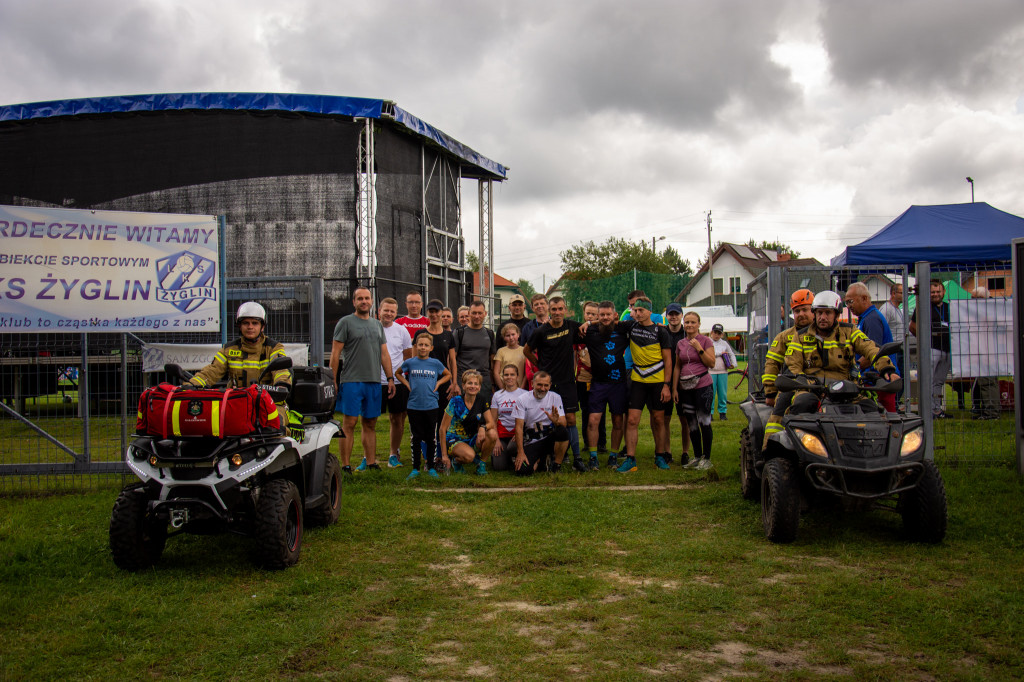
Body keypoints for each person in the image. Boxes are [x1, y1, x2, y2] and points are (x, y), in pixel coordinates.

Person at [785, 291, 897, 416]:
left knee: (872, 410)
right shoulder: (800, 336)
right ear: (814, 314)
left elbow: (871, 349)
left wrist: (886, 369)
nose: (822, 317)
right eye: (819, 312)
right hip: (812, 390)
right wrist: (802, 380)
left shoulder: (850, 331)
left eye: (827, 313)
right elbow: (793, 362)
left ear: (837, 315)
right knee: (801, 404)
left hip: (847, 391)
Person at [330, 287, 395, 474]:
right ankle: (345, 465)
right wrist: (332, 380)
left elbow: (384, 354)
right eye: (360, 298)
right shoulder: (345, 323)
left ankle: (372, 462)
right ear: (354, 302)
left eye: (367, 298)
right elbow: (335, 354)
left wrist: (390, 378)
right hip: (352, 381)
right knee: (349, 423)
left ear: (371, 301)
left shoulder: (377, 325)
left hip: (373, 381)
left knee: (370, 423)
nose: (364, 301)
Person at [523, 296, 587, 472]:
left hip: (567, 381)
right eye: (554, 309)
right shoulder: (540, 331)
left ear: (565, 309)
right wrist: (539, 366)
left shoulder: (572, 326)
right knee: (550, 419)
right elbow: (526, 350)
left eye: (560, 309)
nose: (557, 312)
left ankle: (577, 458)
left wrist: (588, 322)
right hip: (548, 383)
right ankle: (555, 455)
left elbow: (590, 327)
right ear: (549, 311)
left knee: (571, 419)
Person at [619, 296, 672, 473]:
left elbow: (668, 360)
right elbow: (608, 322)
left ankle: (660, 456)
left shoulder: (661, 331)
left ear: (650, 311)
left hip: (657, 382)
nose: (638, 313)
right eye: (635, 310)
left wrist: (666, 385)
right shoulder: (630, 326)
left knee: (658, 420)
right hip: (637, 380)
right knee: (632, 420)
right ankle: (630, 459)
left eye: (641, 310)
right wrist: (588, 323)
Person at [189, 301, 291, 390]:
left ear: (262, 327)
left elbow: (281, 371)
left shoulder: (274, 348)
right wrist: (192, 385)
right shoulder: (228, 350)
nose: (250, 327)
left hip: (267, 401)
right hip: (237, 401)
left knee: (278, 412)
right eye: (246, 323)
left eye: (254, 323)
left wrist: (282, 385)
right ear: (239, 326)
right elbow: (212, 372)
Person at [761, 289, 816, 447]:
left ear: (814, 311)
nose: (801, 314)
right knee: (776, 419)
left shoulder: (824, 334)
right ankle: (768, 452)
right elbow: (772, 364)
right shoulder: (784, 337)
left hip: (818, 384)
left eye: (805, 310)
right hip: (791, 385)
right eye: (797, 311)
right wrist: (770, 393)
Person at [397, 332, 450, 480]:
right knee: (416, 437)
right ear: (416, 346)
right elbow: (398, 373)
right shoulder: (410, 362)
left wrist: (438, 383)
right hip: (414, 405)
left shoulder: (435, 363)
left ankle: (431, 467)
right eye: (420, 344)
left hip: (431, 404)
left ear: (431, 347)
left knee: (431, 437)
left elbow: (448, 375)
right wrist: (407, 384)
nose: (423, 347)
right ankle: (415, 468)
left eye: (426, 345)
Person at [583, 301, 630, 469]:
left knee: (618, 421)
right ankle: (593, 456)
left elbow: (637, 323)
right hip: (598, 384)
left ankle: (613, 456)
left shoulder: (623, 329)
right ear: (597, 315)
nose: (604, 318)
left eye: (608, 314)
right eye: (601, 315)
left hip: (618, 384)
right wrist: (589, 323)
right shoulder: (590, 331)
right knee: (593, 420)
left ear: (614, 314)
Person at [671, 312, 716, 470]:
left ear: (698, 324)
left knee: (704, 421)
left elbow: (711, 363)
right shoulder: (681, 344)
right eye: (687, 322)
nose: (689, 325)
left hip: (702, 386)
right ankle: (697, 456)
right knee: (691, 423)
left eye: (693, 322)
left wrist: (699, 349)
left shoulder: (706, 341)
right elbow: (678, 366)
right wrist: (675, 388)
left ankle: (707, 457)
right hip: (685, 387)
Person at [372, 297, 413, 470]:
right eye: (385, 310)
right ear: (379, 311)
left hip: (397, 382)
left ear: (396, 313)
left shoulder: (402, 330)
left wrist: (400, 376)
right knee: (369, 420)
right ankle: (368, 457)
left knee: (397, 419)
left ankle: (393, 454)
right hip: (374, 380)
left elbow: (407, 356)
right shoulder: (372, 328)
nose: (388, 314)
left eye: (392, 311)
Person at [845, 282, 896, 412]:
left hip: (878, 382)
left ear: (864, 298)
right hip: (875, 381)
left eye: (851, 301)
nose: (849, 306)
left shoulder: (871, 320)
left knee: (885, 419)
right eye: (846, 303)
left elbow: (873, 353)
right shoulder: (866, 318)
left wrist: (853, 370)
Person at [440, 370, 497, 475]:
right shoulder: (455, 401)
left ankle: (481, 465)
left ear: (479, 387)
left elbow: (491, 423)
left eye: (476, 384)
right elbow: (442, 429)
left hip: (472, 438)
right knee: (469, 456)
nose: (473, 386)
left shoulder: (482, 399)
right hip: (454, 439)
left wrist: (482, 427)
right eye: (469, 383)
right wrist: (444, 455)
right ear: (463, 386)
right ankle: (456, 461)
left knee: (492, 433)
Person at [513, 371, 570, 475]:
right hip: (532, 440)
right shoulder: (522, 399)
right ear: (532, 383)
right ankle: (542, 460)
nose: (542, 388)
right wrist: (520, 452)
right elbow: (519, 427)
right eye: (539, 384)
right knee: (523, 471)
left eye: (546, 385)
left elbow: (564, 423)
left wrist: (556, 421)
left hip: (549, 437)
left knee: (563, 432)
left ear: (550, 385)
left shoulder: (555, 397)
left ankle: (556, 466)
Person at [423, 299, 459, 465]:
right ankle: (428, 457)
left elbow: (452, 361)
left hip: (444, 383)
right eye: (431, 311)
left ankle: (442, 455)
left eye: (437, 311)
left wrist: (454, 382)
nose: (434, 314)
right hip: (425, 382)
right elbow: (414, 359)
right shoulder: (421, 334)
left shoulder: (448, 335)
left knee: (442, 420)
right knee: (428, 420)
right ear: (428, 313)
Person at [909, 280, 951, 419]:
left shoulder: (949, 307)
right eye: (932, 292)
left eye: (938, 291)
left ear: (943, 292)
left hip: (947, 349)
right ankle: (928, 410)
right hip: (931, 349)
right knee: (929, 380)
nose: (935, 294)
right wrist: (924, 340)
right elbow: (912, 327)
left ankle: (937, 410)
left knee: (939, 382)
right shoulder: (922, 307)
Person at [575, 301, 606, 469]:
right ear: (584, 314)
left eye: (594, 314)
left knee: (600, 411)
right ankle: (587, 442)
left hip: (599, 378)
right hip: (582, 379)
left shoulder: (602, 331)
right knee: (586, 411)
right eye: (588, 313)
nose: (591, 316)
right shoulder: (579, 332)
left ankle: (601, 442)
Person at [661, 303, 691, 466]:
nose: (673, 317)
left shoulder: (688, 333)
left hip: (684, 381)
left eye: (676, 314)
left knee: (684, 419)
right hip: (665, 379)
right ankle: (667, 451)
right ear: (667, 316)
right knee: (665, 418)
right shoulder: (661, 331)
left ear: (681, 316)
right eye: (670, 314)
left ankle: (685, 452)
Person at [453, 300, 497, 401]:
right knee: (463, 414)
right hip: (464, 380)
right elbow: (451, 359)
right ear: (469, 314)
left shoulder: (490, 334)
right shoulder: (459, 333)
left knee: (483, 414)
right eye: (474, 313)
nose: (477, 316)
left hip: (484, 382)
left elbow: (492, 361)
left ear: (485, 314)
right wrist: (454, 383)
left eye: (480, 313)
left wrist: (493, 384)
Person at [490, 364, 529, 470]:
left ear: (517, 376)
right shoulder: (497, 395)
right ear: (502, 376)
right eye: (506, 375)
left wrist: (521, 433)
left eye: (512, 374)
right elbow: (493, 420)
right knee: (499, 467)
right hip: (502, 434)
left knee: (512, 447)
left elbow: (529, 419)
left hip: (517, 434)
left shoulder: (525, 394)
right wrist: (496, 440)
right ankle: (508, 457)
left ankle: (514, 454)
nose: (509, 377)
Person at [969, 287, 1000, 420]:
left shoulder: (990, 312)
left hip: (988, 351)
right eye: (973, 298)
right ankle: (985, 409)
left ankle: (991, 412)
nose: (974, 301)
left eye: (978, 299)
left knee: (987, 382)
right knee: (984, 382)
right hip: (982, 350)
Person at [878, 282, 906, 400]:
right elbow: (882, 327)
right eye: (901, 292)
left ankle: (896, 402)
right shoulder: (886, 309)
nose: (905, 295)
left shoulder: (898, 309)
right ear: (893, 294)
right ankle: (894, 403)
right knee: (895, 377)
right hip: (892, 350)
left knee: (902, 378)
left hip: (900, 348)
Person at [708, 323, 737, 420]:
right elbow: (709, 353)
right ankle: (710, 413)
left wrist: (733, 364)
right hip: (710, 371)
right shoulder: (708, 342)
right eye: (715, 332)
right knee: (710, 393)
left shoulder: (724, 343)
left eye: (719, 333)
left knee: (722, 394)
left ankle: (722, 412)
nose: (716, 335)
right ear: (711, 332)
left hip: (723, 371)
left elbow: (731, 354)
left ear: (722, 334)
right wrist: (720, 353)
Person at [492, 323, 527, 389]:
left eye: (513, 334)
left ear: (518, 334)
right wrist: (502, 388)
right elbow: (496, 372)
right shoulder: (501, 351)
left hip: (519, 387)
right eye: (508, 335)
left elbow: (526, 373)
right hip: (504, 387)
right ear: (504, 337)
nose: (511, 338)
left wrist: (522, 388)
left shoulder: (524, 351)